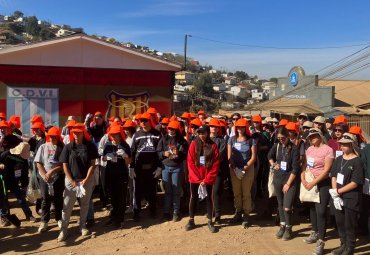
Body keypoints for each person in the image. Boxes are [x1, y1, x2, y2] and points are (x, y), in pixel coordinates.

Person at [57, 123, 99, 242]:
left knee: (85, 205)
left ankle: (82, 226)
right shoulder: (68, 147)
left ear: (82, 132)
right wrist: (71, 180)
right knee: (67, 206)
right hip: (71, 181)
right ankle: (64, 229)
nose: (75, 134)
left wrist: (86, 180)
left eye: (78, 132)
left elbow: (93, 164)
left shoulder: (90, 146)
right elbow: (64, 165)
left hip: (86, 181)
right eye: (74, 132)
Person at [329, 133, 364, 255]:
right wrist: (335, 192)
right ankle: (343, 244)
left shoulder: (357, 161)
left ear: (351, 145)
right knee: (340, 222)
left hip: (351, 197)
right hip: (338, 196)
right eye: (341, 144)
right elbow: (333, 175)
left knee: (350, 223)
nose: (341, 146)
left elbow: (355, 182)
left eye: (344, 144)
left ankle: (350, 247)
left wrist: (339, 191)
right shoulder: (339, 159)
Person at [301, 128, 334, 255]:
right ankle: (315, 232)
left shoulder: (328, 150)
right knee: (312, 208)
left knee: (321, 211)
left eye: (314, 136)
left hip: (323, 183)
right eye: (309, 137)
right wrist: (303, 178)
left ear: (320, 136)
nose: (311, 139)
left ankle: (321, 240)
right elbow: (304, 165)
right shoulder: (309, 149)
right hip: (309, 181)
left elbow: (326, 171)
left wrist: (313, 183)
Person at [185, 125, 219, 233]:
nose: (201, 135)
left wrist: (207, 179)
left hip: (208, 177)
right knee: (193, 197)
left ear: (208, 133)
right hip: (196, 178)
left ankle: (210, 220)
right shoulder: (193, 144)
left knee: (209, 198)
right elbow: (190, 162)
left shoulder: (213, 146)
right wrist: (198, 179)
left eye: (203, 133)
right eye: (199, 133)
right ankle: (191, 220)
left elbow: (215, 164)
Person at [268, 127, 300, 240]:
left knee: (287, 207)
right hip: (278, 178)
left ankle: (289, 227)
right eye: (279, 138)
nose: (281, 140)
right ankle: (282, 225)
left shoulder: (294, 148)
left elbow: (295, 168)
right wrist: (273, 164)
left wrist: (288, 183)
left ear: (288, 136)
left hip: (289, 180)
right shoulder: (277, 146)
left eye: (283, 138)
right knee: (280, 204)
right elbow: (269, 156)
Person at [130, 112, 162, 221]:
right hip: (139, 168)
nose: (142, 123)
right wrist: (131, 167)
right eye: (141, 121)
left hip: (152, 169)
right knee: (137, 192)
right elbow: (132, 152)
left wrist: (159, 167)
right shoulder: (137, 134)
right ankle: (136, 212)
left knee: (152, 191)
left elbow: (160, 152)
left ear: (150, 121)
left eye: (145, 121)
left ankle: (153, 211)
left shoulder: (157, 134)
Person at [34, 127, 65, 233]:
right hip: (44, 177)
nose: (51, 139)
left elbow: (64, 165)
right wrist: (45, 174)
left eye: (54, 137)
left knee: (58, 198)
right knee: (45, 198)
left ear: (58, 137)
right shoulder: (43, 147)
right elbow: (38, 163)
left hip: (58, 177)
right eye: (50, 136)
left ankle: (59, 218)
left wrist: (53, 171)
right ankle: (44, 221)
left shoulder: (62, 148)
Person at [228, 118, 257, 228]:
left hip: (248, 169)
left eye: (242, 127)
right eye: (238, 127)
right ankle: (238, 211)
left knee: (246, 193)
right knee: (237, 192)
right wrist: (235, 167)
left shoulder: (251, 140)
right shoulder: (231, 139)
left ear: (245, 128)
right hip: (235, 169)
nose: (240, 129)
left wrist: (246, 167)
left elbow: (253, 156)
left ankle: (246, 214)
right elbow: (229, 156)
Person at [157, 120, 188, 222]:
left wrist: (179, 153)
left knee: (176, 191)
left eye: (173, 129)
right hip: (166, 167)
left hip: (177, 168)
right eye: (169, 128)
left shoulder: (182, 141)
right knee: (168, 191)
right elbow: (157, 152)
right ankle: (166, 212)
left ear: (177, 130)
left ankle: (176, 212)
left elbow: (185, 154)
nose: (170, 130)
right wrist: (163, 154)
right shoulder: (163, 139)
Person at [103, 124, 131, 228]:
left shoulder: (125, 145)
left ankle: (120, 219)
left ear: (120, 135)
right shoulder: (108, 145)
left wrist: (125, 156)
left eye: (115, 135)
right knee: (112, 196)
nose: (113, 137)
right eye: (112, 135)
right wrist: (107, 157)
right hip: (110, 174)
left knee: (121, 197)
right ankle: (113, 217)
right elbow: (103, 159)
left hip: (121, 175)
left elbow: (129, 162)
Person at [209, 118, 227, 224]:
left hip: (217, 171)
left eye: (215, 127)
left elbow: (220, 156)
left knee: (216, 192)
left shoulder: (222, 141)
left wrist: (209, 161)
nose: (213, 128)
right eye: (212, 126)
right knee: (209, 192)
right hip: (206, 171)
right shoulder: (205, 139)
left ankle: (218, 214)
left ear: (218, 128)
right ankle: (211, 212)